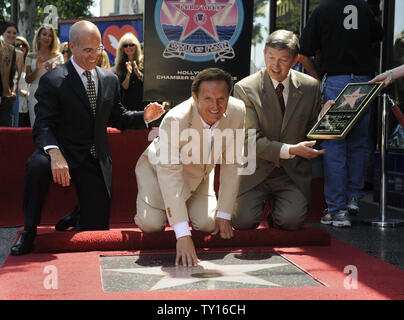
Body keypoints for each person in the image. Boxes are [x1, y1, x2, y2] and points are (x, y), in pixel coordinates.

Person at [10, 20, 165, 256]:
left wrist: (144, 116)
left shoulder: (109, 79)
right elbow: (43, 125)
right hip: (61, 152)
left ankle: (80, 213)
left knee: (96, 230)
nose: (95, 55)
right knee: (36, 165)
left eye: (99, 48)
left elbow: (119, 117)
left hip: (93, 158)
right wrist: (54, 153)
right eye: (88, 50)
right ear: (72, 47)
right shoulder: (53, 80)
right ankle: (30, 232)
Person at [135, 68, 245, 267]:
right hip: (158, 173)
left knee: (207, 224)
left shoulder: (238, 111)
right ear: (194, 97)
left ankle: (183, 208)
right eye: (208, 98)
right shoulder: (175, 119)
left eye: (221, 98)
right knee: (151, 225)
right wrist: (183, 235)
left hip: (200, 175)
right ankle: (161, 206)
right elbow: (170, 176)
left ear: (229, 96)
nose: (215, 106)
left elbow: (233, 163)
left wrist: (224, 213)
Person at [299, 0, 383, 227]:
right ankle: (353, 197)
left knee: (335, 147)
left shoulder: (322, 10)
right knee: (358, 143)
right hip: (365, 82)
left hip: (336, 81)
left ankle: (337, 210)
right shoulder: (364, 8)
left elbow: (303, 52)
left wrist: (318, 78)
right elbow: (379, 36)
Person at [232, 30, 325, 232]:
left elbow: (312, 133)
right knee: (242, 222)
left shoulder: (311, 87)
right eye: (271, 57)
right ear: (264, 53)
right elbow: (250, 140)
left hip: (291, 173)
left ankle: (280, 211)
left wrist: (323, 121)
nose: (275, 65)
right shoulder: (245, 88)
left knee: (291, 223)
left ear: (295, 60)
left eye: (283, 60)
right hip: (254, 171)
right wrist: (291, 150)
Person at [25, 25, 64, 126]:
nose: (47, 38)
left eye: (50, 35)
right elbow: (28, 80)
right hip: (34, 94)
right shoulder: (30, 56)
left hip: (53, 94)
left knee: (52, 125)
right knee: (35, 124)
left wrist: (51, 70)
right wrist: (37, 69)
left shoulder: (58, 56)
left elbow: (62, 80)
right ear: (38, 37)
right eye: (44, 34)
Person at [114, 32, 146, 111]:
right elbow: (124, 87)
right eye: (125, 45)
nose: (128, 47)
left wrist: (138, 73)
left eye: (131, 45)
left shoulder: (144, 61)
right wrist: (128, 74)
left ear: (136, 46)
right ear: (122, 49)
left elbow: (149, 83)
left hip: (143, 103)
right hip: (127, 104)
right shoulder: (120, 65)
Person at [0, 25, 16, 126]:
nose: (11, 35)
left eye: (14, 33)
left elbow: (11, 75)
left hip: (6, 99)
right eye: (8, 32)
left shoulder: (12, 50)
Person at [14, 36, 31, 127]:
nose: (21, 47)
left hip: (29, 102)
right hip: (17, 101)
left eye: (23, 45)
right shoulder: (10, 63)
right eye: (17, 45)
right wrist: (21, 92)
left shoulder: (30, 62)